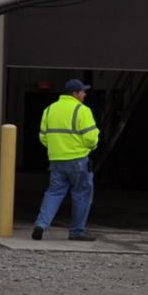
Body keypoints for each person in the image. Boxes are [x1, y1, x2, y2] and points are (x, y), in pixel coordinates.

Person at [32, 78, 100, 240]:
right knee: (82, 195)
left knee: (54, 193)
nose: (84, 94)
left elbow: (43, 137)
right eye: (83, 91)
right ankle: (77, 232)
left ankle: (40, 225)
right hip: (78, 160)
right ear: (75, 93)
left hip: (56, 160)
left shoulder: (49, 110)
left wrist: (57, 148)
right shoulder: (82, 110)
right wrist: (91, 147)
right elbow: (91, 138)